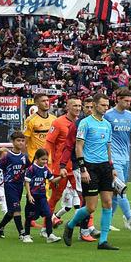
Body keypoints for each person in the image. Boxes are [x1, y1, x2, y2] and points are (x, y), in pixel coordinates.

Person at [63, 97, 119, 250]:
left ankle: (103, 241)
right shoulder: (85, 122)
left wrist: (111, 166)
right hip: (90, 167)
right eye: (102, 105)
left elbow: (108, 148)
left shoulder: (107, 125)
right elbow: (78, 147)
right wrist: (83, 169)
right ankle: (70, 224)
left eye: (107, 105)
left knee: (107, 202)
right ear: (95, 105)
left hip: (105, 167)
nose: (105, 108)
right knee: (91, 207)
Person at [104, 88, 131, 231]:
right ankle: (130, 219)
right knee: (121, 189)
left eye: (129, 101)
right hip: (113, 158)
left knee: (115, 192)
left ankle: (107, 222)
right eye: (125, 100)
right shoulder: (108, 115)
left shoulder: (130, 115)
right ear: (117, 99)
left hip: (125, 157)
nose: (128, 103)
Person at [46, 95, 80, 224]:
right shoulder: (58, 122)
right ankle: (46, 226)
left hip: (77, 166)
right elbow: (49, 143)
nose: (77, 108)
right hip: (61, 167)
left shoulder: (81, 123)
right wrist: (47, 163)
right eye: (74, 105)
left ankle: (87, 228)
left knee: (84, 197)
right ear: (67, 107)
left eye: (79, 106)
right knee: (56, 197)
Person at [0, 131, 28, 241]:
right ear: (12, 142)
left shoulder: (24, 157)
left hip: (19, 186)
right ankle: (22, 233)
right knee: (17, 209)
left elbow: (30, 169)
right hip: (9, 185)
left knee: (12, 211)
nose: (21, 143)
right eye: (18, 140)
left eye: (22, 140)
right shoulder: (7, 156)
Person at [23, 150, 59, 243]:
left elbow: (52, 180)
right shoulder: (32, 169)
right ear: (37, 158)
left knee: (48, 214)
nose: (45, 161)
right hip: (33, 197)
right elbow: (26, 182)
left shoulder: (46, 169)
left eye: (46, 160)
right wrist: (29, 195)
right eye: (43, 159)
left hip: (42, 196)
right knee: (30, 216)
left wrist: (62, 177)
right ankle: (26, 235)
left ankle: (50, 235)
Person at [23, 93, 56, 163]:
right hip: (35, 159)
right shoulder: (30, 120)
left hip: (50, 159)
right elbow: (24, 142)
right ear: (37, 104)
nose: (46, 103)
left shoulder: (54, 119)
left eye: (47, 100)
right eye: (43, 101)